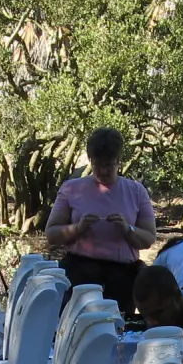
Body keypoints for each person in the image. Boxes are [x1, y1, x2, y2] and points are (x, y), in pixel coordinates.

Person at [44, 127, 157, 315]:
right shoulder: (72, 189)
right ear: (90, 160)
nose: (103, 171)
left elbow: (148, 238)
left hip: (122, 277)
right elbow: (51, 234)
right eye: (98, 165)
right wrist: (78, 228)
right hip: (79, 273)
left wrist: (127, 229)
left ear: (118, 161)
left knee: (116, 331)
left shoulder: (136, 191)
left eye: (109, 165)